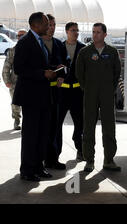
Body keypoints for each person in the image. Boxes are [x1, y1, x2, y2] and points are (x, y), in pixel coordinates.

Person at [13, 12, 57, 181]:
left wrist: (54, 68)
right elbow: (19, 68)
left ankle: (39, 167)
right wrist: (42, 73)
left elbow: (40, 64)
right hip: (31, 98)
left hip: (43, 97)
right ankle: (27, 170)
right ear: (36, 25)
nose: (49, 27)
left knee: (42, 134)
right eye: (46, 24)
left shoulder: (40, 42)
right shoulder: (25, 42)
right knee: (31, 135)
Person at [76, 23, 121, 172]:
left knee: (109, 127)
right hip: (90, 94)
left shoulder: (112, 52)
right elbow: (79, 73)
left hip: (107, 95)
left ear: (105, 35)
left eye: (98, 32)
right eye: (93, 32)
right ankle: (89, 160)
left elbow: (117, 73)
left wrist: (109, 88)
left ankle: (109, 160)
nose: (95, 35)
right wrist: (87, 87)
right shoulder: (85, 52)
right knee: (88, 127)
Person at [57, 22, 85, 162]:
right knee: (57, 123)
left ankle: (80, 150)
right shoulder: (60, 47)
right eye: (73, 30)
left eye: (77, 30)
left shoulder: (83, 49)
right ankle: (55, 154)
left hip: (77, 92)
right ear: (67, 31)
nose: (76, 32)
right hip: (62, 93)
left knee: (80, 123)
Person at [42, 14, 67, 170]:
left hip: (56, 93)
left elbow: (66, 62)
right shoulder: (37, 43)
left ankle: (53, 159)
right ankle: (40, 160)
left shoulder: (58, 44)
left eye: (54, 25)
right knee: (41, 128)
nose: (52, 27)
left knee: (55, 127)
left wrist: (62, 75)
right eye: (49, 24)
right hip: (40, 92)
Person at [2, 29, 27, 130]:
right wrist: (7, 80)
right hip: (15, 82)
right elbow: (6, 67)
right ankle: (17, 121)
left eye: (22, 35)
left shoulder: (32, 49)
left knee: (28, 103)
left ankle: (27, 121)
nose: (20, 37)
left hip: (29, 82)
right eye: (18, 35)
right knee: (15, 103)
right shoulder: (13, 50)